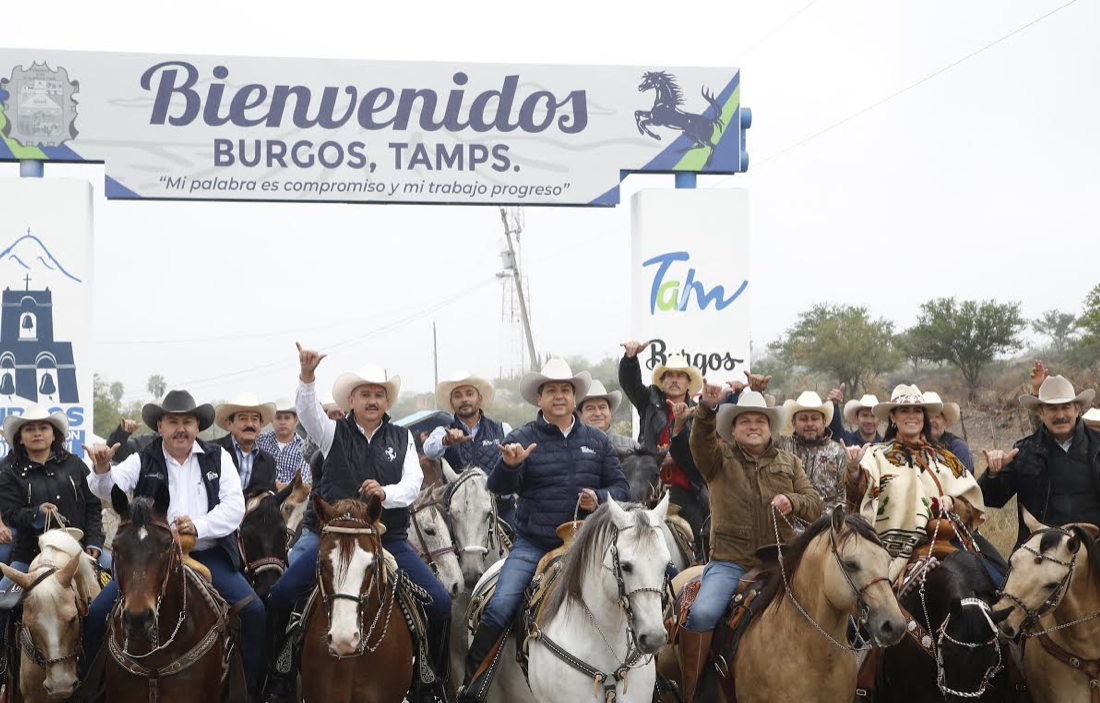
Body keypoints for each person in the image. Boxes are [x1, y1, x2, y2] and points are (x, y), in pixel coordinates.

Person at [265, 345, 451, 703]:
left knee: (440, 603)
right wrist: (307, 377)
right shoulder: (332, 432)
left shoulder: (402, 438)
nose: (372, 400)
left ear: (386, 401)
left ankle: (431, 682)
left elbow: (413, 484)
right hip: (333, 540)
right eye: (364, 394)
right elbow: (305, 411)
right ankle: (280, 677)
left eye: (378, 394)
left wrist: (385, 493)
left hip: (388, 541)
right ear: (351, 400)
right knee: (281, 596)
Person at [458, 359, 629, 703]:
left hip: (591, 545)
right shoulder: (520, 438)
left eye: (565, 390)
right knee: (501, 605)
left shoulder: (596, 440)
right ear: (540, 399)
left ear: (574, 397)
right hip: (533, 544)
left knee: (638, 594)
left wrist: (599, 498)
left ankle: (648, 680)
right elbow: (497, 487)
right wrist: (509, 465)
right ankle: (472, 687)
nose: (559, 396)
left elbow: (622, 489)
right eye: (551, 390)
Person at [82, 390, 265, 699]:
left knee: (255, 611)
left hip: (207, 555)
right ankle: (94, 688)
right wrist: (101, 469)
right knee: (98, 613)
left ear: (197, 427)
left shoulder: (218, 458)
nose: (181, 428)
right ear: (160, 427)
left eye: (187, 422)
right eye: (173, 422)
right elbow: (107, 490)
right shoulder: (143, 457)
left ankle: (249, 692)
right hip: (150, 559)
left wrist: (199, 525)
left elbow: (234, 506)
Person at [680, 384, 822, 703]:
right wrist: (705, 408)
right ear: (732, 429)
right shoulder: (716, 458)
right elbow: (698, 441)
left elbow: (814, 503)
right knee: (702, 614)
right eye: (745, 421)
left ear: (769, 426)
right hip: (730, 562)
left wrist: (794, 501)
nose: (753, 426)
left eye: (759, 420)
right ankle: (694, 690)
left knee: (840, 610)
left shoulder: (790, 462)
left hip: (783, 562)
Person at [844, 385, 987, 582]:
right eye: (904, 410)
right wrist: (853, 470)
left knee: (995, 577)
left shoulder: (945, 459)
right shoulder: (875, 454)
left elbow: (971, 507)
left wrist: (953, 502)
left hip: (943, 545)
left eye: (917, 410)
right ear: (893, 417)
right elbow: (859, 493)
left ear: (924, 417)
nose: (912, 416)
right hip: (886, 553)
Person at [0, 405, 105, 645]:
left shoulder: (76, 465)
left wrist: (95, 544)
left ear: (53, 434)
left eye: (43, 427)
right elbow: (12, 514)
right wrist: (37, 513)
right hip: (28, 557)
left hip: (79, 553)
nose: (37, 433)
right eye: (30, 428)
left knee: (119, 589)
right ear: (20, 437)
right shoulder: (9, 473)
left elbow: (93, 506)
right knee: (2, 604)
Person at [980, 374, 1100, 548]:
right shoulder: (1023, 451)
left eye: (1065, 407)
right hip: (1039, 550)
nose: (1060, 415)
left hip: (1094, 549)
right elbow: (990, 498)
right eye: (1052, 408)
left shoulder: (1098, 446)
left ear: (1077, 409)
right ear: (1040, 412)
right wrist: (993, 472)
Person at [618, 344, 705, 548]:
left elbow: (704, 451)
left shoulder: (700, 413)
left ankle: (701, 570)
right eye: (669, 375)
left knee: (702, 530)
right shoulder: (648, 400)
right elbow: (630, 383)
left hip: (684, 487)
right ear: (662, 382)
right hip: (645, 486)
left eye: (680, 375)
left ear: (688, 383)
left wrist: (677, 454)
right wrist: (630, 359)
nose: (674, 379)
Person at [423, 371, 515, 526]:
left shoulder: (502, 429)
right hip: (459, 514)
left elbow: (516, 469)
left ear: (479, 399)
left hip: (500, 511)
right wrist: (447, 440)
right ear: (452, 402)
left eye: (469, 394)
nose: (464, 399)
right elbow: (429, 451)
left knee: (518, 545)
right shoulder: (443, 431)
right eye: (458, 396)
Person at [776, 390, 848, 517]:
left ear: (824, 421)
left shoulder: (838, 452)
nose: (809, 424)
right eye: (803, 419)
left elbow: (843, 497)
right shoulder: (781, 447)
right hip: (787, 525)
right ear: (793, 422)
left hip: (826, 528)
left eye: (815, 418)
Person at [213, 393, 278, 495]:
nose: (249, 424)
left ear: (260, 425)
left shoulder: (268, 462)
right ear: (229, 424)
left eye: (255, 419)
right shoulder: (213, 453)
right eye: (243, 418)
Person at [256, 397, 311, 487]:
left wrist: (281, 488)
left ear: (295, 421)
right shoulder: (261, 440)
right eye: (278, 418)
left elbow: (302, 481)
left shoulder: (303, 447)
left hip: (292, 497)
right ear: (272, 421)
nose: (283, 422)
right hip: (264, 494)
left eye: (287, 418)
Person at [578, 379, 639, 455]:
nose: (597, 413)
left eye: (602, 407)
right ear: (580, 414)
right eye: (590, 408)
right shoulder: (569, 449)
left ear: (610, 411)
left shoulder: (631, 447)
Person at [922, 392, 974, 474]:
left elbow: (963, 483)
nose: (931, 421)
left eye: (937, 416)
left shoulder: (958, 448)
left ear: (945, 422)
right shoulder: (912, 447)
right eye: (928, 416)